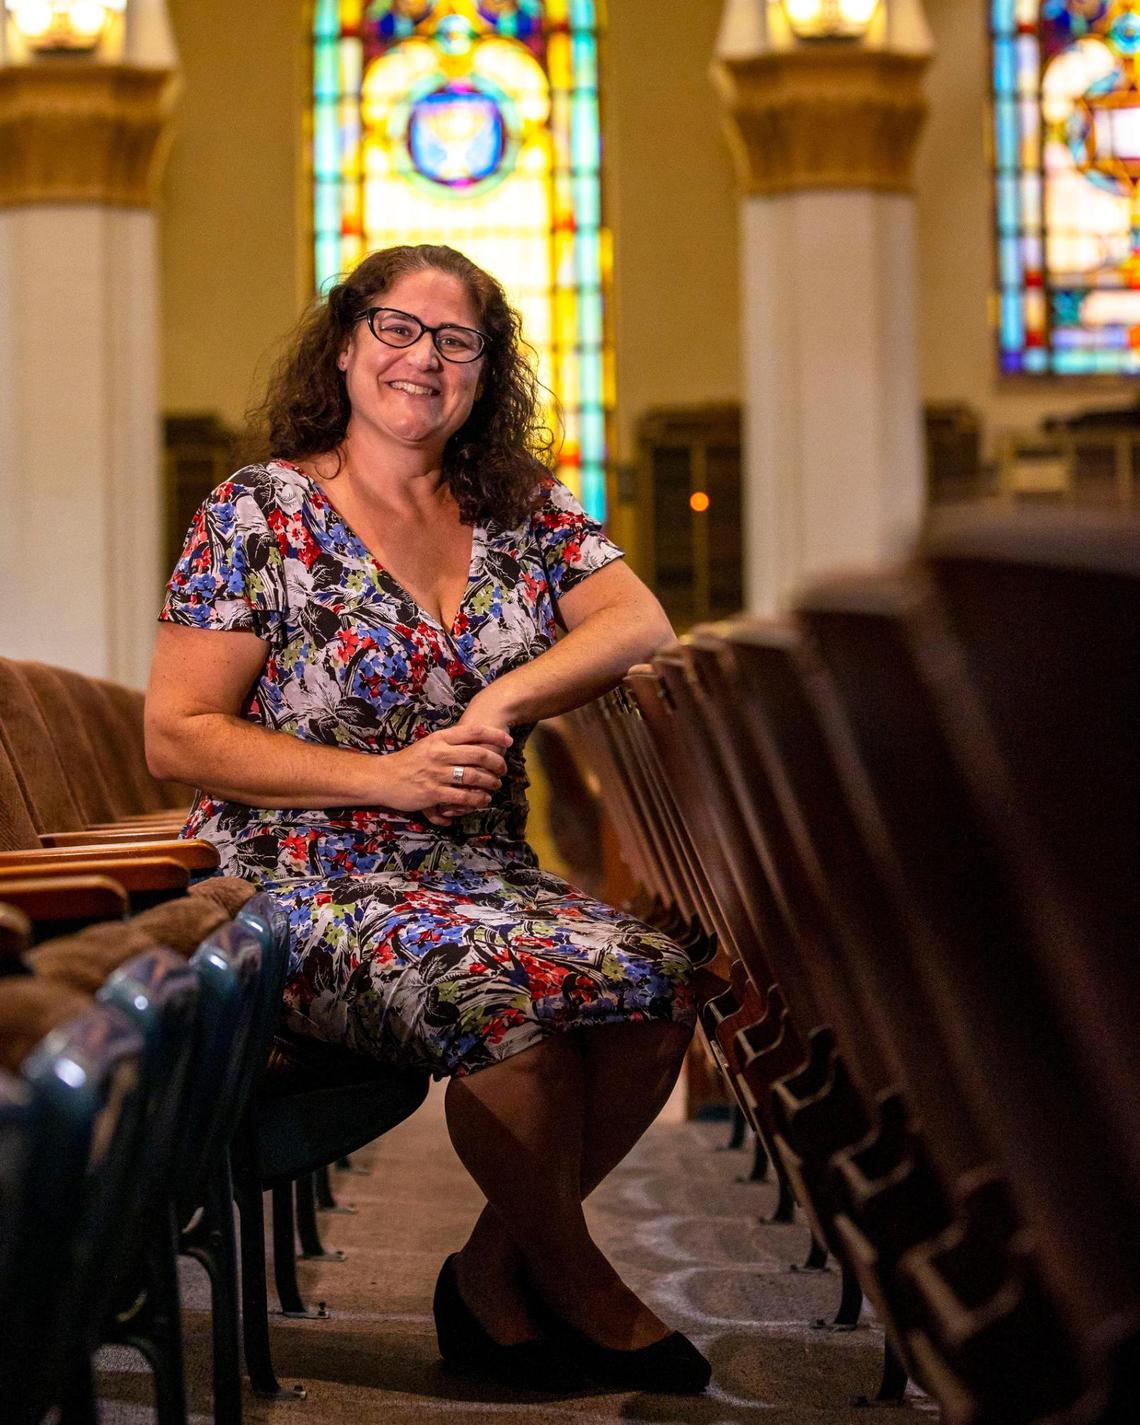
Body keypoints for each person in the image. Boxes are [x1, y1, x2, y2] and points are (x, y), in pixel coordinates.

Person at [145, 243, 712, 1395]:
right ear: (348, 344)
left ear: (485, 371)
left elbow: (637, 624)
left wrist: (505, 693)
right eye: (399, 329)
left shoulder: (523, 514)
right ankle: (590, 1292)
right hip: (297, 877)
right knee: (508, 1006)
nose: (424, 359)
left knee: (661, 980)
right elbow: (179, 734)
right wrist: (385, 778)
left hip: (482, 868)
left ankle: (495, 1273)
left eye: (458, 341)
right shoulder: (260, 513)